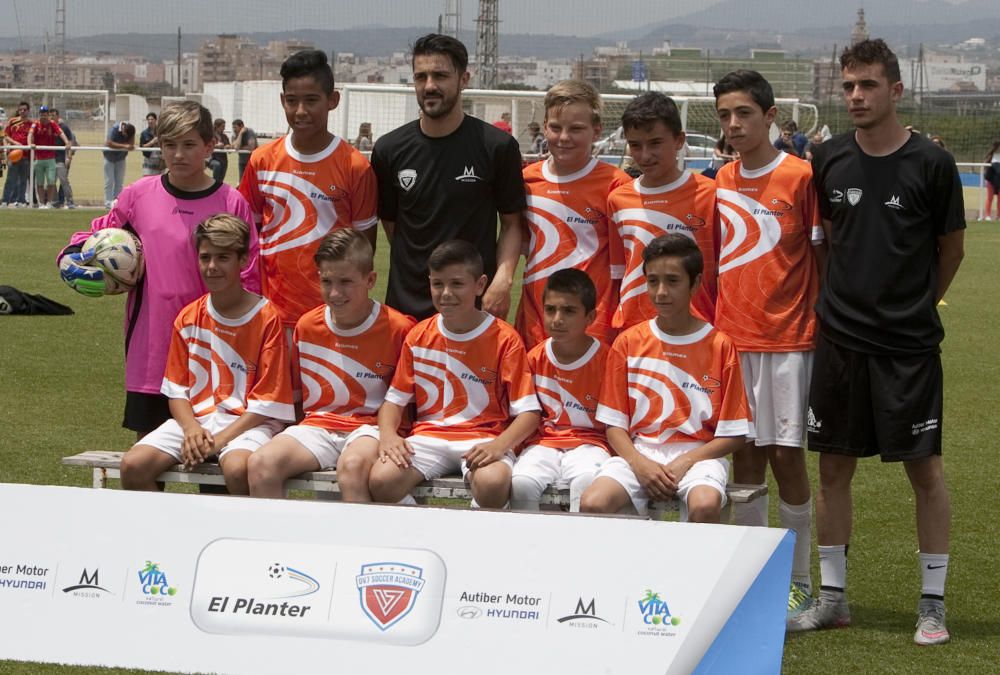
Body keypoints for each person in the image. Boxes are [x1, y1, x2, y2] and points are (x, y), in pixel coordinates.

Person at [789, 39, 965, 646]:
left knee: (925, 472)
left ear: (896, 90)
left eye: (867, 85)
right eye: (848, 87)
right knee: (832, 467)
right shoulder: (828, 159)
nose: (857, 97)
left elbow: (951, 249)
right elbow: (830, 241)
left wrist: (917, 305)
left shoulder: (931, 164)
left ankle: (932, 605)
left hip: (909, 346)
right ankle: (833, 599)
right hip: (839, 341)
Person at [58, 100, 259, 439]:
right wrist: (71, 256)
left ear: (209, 146)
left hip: (217, 351)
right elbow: (100, 235)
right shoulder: (138, 196)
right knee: (148, 458)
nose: (178, 154)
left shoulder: (231, 201)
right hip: (152, 350)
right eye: (169, 144)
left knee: (218, 465)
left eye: (189, 144)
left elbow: (250, 271)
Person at [713, 69, 824, 620]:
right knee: (745, 461)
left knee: (787, 457)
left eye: (744, 114)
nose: (734, 125)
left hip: (788, 341)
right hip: (731, 344)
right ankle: (756, 580)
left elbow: (821, 258)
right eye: (725, 116)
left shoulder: (801, 177)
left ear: (770, 116)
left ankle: (800, 579)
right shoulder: (720, 181)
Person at [579, 234, 750, 523]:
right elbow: (613, 427)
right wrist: (640, 464)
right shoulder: (628, 342)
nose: (661, 292)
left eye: (672, 281)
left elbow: (734, 435)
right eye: (653, 281)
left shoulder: (720, 345)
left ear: (695, 283)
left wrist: (685, 461)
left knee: (705, 505)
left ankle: (697, 569)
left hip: (699, 456)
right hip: (639, 451)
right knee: (593, 502)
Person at [119, 215, 294, 494]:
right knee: (133, 465)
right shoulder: (188, 317)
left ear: (243, 260)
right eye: (205, 257)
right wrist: (190, 429)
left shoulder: (267, 318)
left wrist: (220, 439)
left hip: (248, 424)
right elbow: (177, 392)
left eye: (223, 257)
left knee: (238, 469)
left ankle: (241, 536)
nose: (212, 267)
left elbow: (267, 403)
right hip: (198, 422)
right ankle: (162, 536)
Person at [370, 240, 541, 509]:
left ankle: (472, 544)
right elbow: (393, 402)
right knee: (382, 480)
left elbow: (529, 413)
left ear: (480, 285)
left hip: (483, 437)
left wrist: (499, 446)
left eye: (457, 284)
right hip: (429, 436)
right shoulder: (419, 335)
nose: (446, 293)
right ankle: (431, 539)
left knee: (493, 482)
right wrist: (389, 435)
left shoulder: (505, 339)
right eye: (437, 284)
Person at [247, 229, 414, 501]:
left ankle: (358, 543)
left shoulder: (399, 328)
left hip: (369, 429)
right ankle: (276, 542)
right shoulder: (307, 325)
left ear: (370, 279)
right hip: (318, 426)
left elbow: (408, 402)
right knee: (261, 464)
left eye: (346, 282)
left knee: (353, 467)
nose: (335, 293)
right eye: (327, 281)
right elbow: (299, 398)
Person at [371, 33, 526, 320]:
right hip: (406, 306)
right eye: (421, 77)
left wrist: (503, 279)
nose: (430, 86)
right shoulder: (388, 150)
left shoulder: (496, 147)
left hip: (473, 305)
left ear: (464, 79)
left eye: (440, 75)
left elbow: (511, 224)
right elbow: (393, 226)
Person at [239, 49, 377, 333]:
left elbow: (365, 247)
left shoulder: (356, 167)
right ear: (282, 101)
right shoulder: (261, 160)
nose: (300, 111)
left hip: (330, 317)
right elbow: (246, 236)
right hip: (269, 314)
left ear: (332, 100)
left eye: (311, 100)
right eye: (292, 101)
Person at [515, 79, 631, 350]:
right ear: (545, 127)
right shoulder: (526, 181)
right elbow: (519, 244)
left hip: (593, 325)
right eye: (555, 128)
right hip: (535, 324)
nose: (564, 137)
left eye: (576, 129)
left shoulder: (617, 185)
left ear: (597, 130)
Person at [608, 92, 719, 332]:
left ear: (679, 140)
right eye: (635, 145)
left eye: (655, 143)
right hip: (634, 331)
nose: (645, 155)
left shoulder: (711, 195)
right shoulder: (618, 200)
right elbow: (618, 273)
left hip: (695, 329)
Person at [510, 268, 611, 512]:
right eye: (550, 309)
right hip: (544, 443)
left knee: (587, 482)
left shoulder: (607, 359)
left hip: (591, 444)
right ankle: (530, 546)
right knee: (521, 483)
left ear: (590, 317)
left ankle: (579, 546)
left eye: (569, 311)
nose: (557, 319)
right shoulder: (534, 358)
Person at [27, 105, 72, 209]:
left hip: (50, 158)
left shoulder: (52, 124)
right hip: (39, 158)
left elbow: (61, 133)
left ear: (48, 115)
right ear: (40, 115)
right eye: (42, 114)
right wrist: (30, 144)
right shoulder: (35, 124)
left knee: (51, 181)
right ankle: (42, 203)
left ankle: (49, 202)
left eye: (45, 114)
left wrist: (66, 142)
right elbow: (30, 135)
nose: (43, 116)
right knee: (40, 182)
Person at [2, 101, 31, 207]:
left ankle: (21, 201)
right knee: (10, 179)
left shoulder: (31, 124)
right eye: (21, 110)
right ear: (18, 110)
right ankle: (5, 200)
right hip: (14, 155)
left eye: (25, 110)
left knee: (23, 180)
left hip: (26, 156)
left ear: (28, 111)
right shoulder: (12, 121)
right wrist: (15, 143)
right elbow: (5, 135)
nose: (23, 112)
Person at [103, 120, 136, 208]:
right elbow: (108, 143)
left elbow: (131, 145)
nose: (126, 137)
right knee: (109, 181)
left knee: (119, 181)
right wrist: (124, 146)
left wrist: (130, 144)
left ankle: (117, 202)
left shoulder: (131, 130)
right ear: (123, 128)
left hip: (121, 158)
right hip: (109, 157)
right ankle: (108, 203)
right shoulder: (114, 129)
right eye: (125, 134)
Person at [50, 108, 77, 209]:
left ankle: (70, 202)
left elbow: (70, 142)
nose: (51, 117)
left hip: (60, 158)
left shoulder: (64, 127)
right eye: (50, 115)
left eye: (53, 115)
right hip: (50, 158)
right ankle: (55, 201)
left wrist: (69, 157)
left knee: (64, 180)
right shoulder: (48, 127)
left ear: (58, 116)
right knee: (51, 181)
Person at [139, 112, 162, 177]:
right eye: (148, 119)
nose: (150, 121)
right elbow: (142, 147)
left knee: (159, 179)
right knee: (147, 178)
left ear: (155, 120)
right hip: (149, 159)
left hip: (160, 160)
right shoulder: (144, 133)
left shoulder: (161, 132)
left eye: (152, 119)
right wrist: (152, 142)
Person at [208, 118, 230, 183]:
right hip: (212, 159)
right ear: (216, 127)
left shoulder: (224, 136)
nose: (224, 128)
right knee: (217, 165)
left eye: (224, 126)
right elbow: (205, 145)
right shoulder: (210, 135)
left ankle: (217, 189)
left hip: (223, 160)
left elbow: (229, 145)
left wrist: (228, 146)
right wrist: (216, 146)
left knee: (220, 181)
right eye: (222, 126)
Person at [982, 139, 1000, 220]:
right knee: (990, 198)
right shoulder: (991, 156)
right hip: (991, 180)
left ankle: (998, 215)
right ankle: (987, 215)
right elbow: (986, 166)